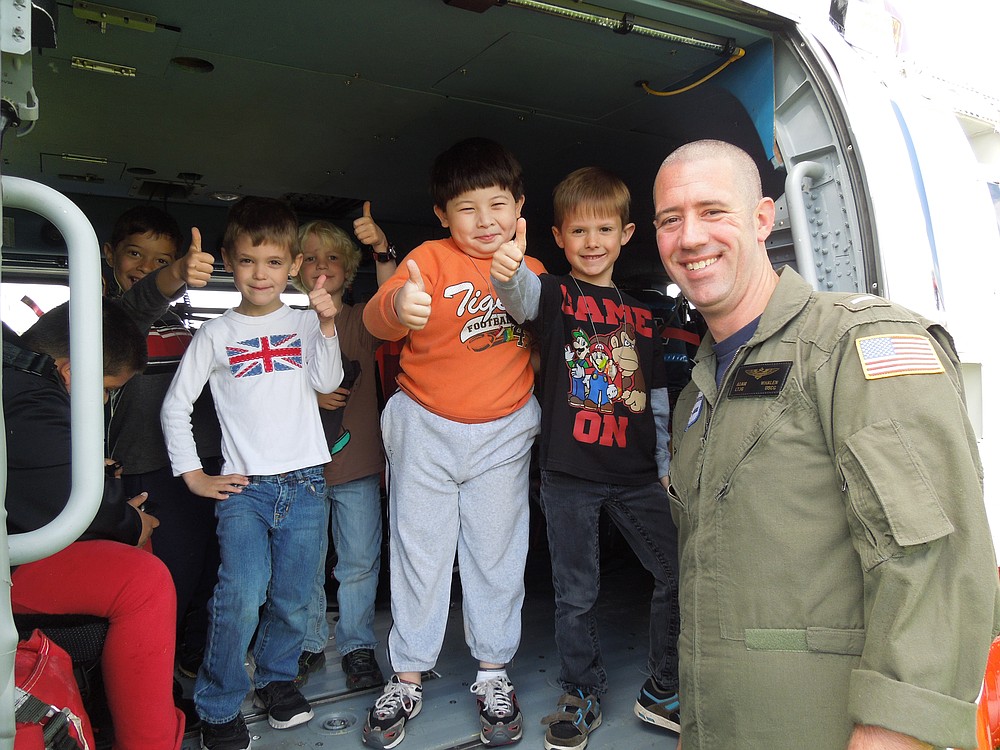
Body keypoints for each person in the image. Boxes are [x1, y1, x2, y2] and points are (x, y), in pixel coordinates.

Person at [653, 139, 999, 750]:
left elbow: (932, 558)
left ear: (763, 219)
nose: (690, 237)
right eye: (670, 219)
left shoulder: (856, 345)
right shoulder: (699, 392)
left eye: (712, 211)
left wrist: (896, 731)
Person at [360, 137, 545, 748]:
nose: (486, 221)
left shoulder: (531, 268)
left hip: (503, 432)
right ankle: (407, 675)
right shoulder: (429, 260)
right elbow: (375, 318)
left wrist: (516, 275)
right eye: (468, 209)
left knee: (497, 555)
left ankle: (494, 671)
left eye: (499, 205)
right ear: (443, 215)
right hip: (426, 426)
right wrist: (398, 307)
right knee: (420, 552)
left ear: (520, 207)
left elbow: (540, 314)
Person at [490, 166, 680, 750]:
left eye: (604, 229)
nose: (592, 242)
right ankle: (582, 689)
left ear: (627, 234)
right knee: (577, 594)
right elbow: (518, 297)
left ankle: (665, 687)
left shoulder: (649, 312)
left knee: (676, 572)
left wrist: (668, 465)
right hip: (570, 475)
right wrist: (509, 266)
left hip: (639, 474)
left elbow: (660, 397)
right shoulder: (553, 295)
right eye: (578, 232)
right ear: (558, 237)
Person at [160, 196, 344, 750]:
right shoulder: (214, 334)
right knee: (240, 595)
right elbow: (176, 406)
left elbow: (328, 381)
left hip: (307, 483)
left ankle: (276, 680)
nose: (259, 274)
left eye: (271, 262)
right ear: (227, 262)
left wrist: (330, 322)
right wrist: (193, 474)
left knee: (292, 597)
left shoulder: (309, 321)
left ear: (291, 265)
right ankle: (217, 706)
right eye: (246, 261)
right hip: (244, 491)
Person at [4, 300, 186, 750]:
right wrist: (129, 522)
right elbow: (69, 494)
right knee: (144, 580)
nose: (105, 400)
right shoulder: (30, 396)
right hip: (11, 568)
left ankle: (121, 707)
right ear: (70, 372)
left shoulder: (17, 373)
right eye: (106, 389)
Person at [102, 205, 223, 678]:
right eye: (135, 254)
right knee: (167, 578)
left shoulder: (185, 324)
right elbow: (137, 307)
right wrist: (175, 273)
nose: (145, 268)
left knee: (209, 572)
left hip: (203, 463)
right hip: (146, 467)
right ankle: (154, 680)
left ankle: (192, 659)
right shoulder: (106, 318)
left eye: (160, 260)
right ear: (110, 254)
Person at [295, 206, 397, 690]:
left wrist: (381, 248)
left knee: (358, 562)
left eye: (332, 257)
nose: (321, 265)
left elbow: (393, 299)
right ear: (294, 266)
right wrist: (309, 391)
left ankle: (357, 646)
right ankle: (309, 643)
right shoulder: (287, 323)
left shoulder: (358, 320)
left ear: (348, 268)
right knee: (306, 563)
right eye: (310, 257)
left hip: (355, 464)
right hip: (299, 468)